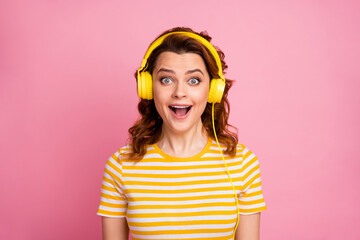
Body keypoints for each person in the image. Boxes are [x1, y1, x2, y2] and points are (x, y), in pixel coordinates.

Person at [97, 27, 267, 240]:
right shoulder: (120, 166)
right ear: (148, 88)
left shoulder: (242, 164)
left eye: (194, 80)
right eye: (166, 80)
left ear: (213, 90)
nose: (179, 92)